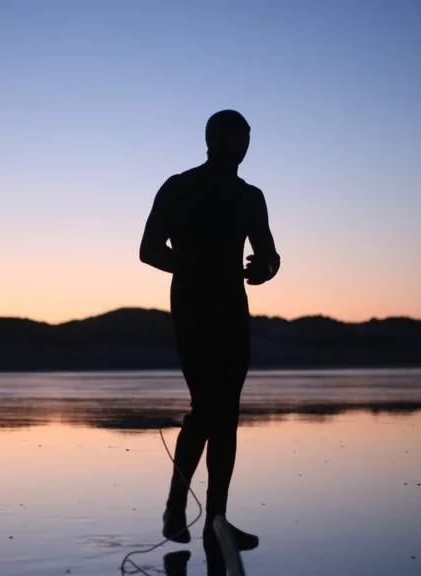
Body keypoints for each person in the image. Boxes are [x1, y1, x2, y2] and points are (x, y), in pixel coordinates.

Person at [138, 109, 281, 551]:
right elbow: (147, 250)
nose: (239, 146)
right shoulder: (179, 186)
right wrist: (193, 266)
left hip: (233, 311)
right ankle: (179, 509)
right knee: (207, 408)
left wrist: (265, 269)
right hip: (193, 308)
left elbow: (270, 255)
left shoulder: (250, 197)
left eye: (244, 138)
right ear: (212, 140)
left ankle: (213, 519)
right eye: (231, 137)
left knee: (226, 412)